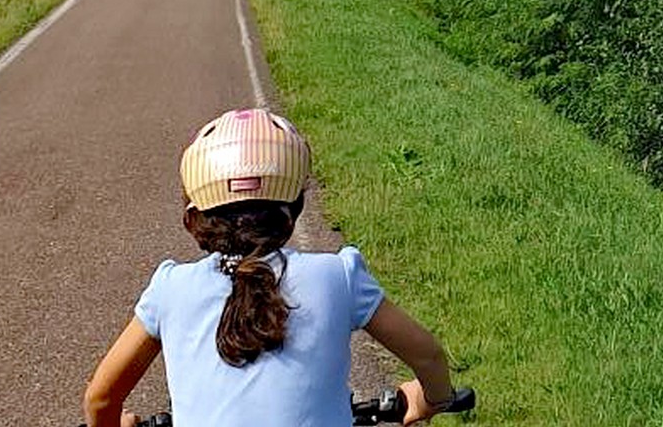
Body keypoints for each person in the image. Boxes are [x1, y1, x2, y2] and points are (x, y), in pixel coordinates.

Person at [84, 108, 461, 427]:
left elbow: (101, 399)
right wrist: (433, 399)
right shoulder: (338, 276)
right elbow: (427, 355)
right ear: (294, 210)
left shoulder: (171, 288)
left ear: (192, 220)